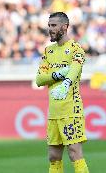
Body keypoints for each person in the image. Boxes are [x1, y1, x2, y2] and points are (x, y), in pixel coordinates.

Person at [36, 12, 89, 173]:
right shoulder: (48, 51)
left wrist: (66, 83)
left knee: (74, 152)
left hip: (71, 110)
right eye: (49, 25)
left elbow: (75, 68)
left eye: (54, 25)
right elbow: (39, 79)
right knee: (53, 156)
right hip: (54, 112)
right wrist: (57, 75)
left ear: (64, 27)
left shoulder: (75, 48)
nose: (50, 29)